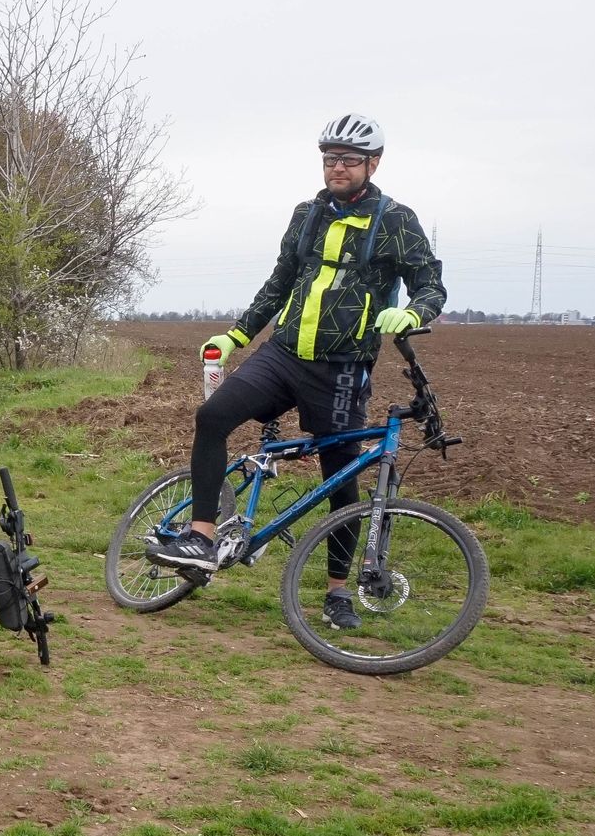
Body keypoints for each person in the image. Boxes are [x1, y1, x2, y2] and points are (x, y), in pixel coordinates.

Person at [148, 114, 446, 631]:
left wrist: (414, 313)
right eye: (330, 158)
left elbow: (431, 284)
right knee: (213, 416)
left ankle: (336, 592)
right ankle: (200, 535)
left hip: (343, 370)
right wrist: (237, 335)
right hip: (283, 355)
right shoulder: (307, 214)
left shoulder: (396, 220)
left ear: (373, 164)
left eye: (350, 160)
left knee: (341, 477)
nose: (338, 167)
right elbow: (281, 281)